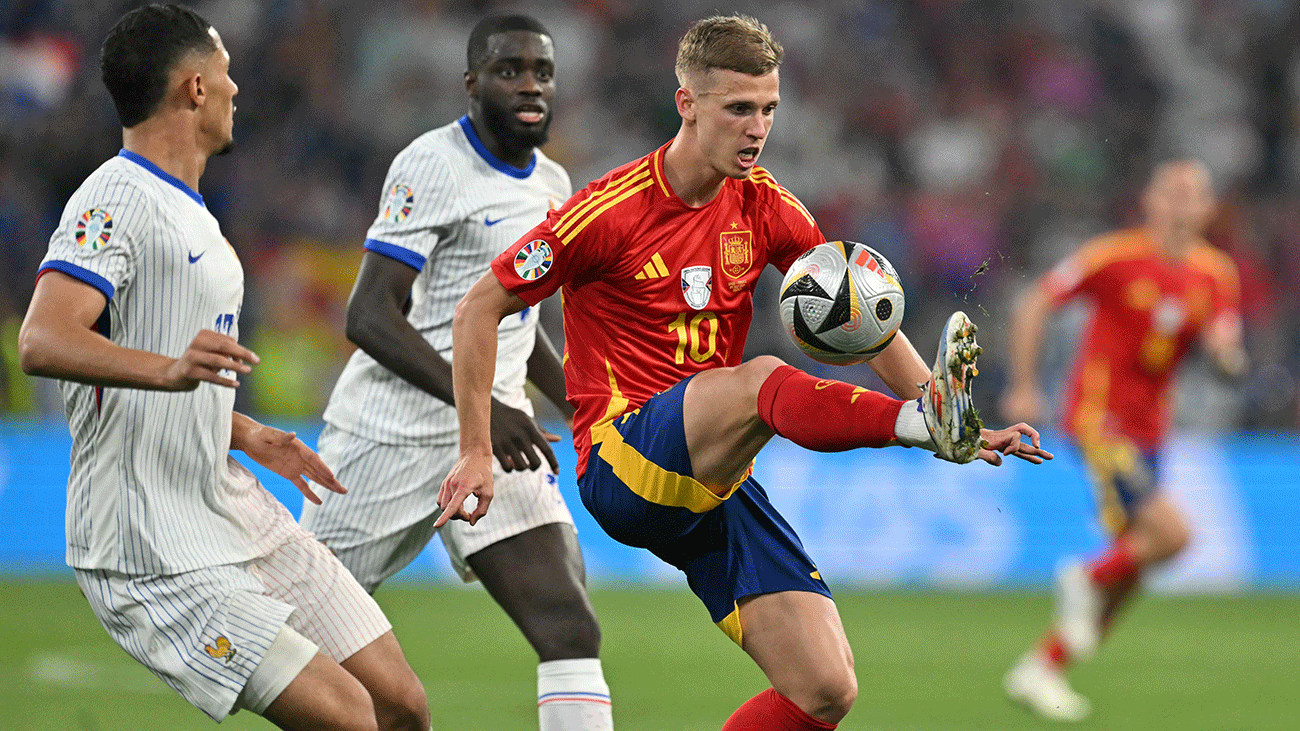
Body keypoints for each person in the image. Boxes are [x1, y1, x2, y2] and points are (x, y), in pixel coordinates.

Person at [438, 14, 1052, 730]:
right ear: (687, 104)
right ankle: (919, 426)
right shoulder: (608, 211)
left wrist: (953, 414)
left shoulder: (764, 204)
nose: (757, 128)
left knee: (824, 688)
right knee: (760, 381)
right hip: (620, 457)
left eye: (768, 109)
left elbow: (855, 316)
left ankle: (929, 419)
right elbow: (478, 310)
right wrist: (476, 450)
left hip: (712, 474)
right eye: (738, 108)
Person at [17, 6, 429, 730]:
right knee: (350, 718)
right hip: (146, 542)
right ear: (196, 87)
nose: (240, 87)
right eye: (228, 71)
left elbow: (161, 372)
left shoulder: (193, 212)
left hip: (225, 502)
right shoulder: (116, 196)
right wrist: (173, 371)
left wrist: (238, 429)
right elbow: (43, 339)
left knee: (400, 704)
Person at [297, 14, 613, 731]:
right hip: (388, 435)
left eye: (542, 71)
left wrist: (587, 406)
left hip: (501, 439)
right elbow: (369, 314)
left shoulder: (555, 184)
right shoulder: (431, 165)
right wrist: (483, 411)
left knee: (568, 625)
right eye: (510, 70)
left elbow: (517, 323)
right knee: (297, 644)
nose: (530, 85)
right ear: (472, 84)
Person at [999, 158, 1246, 721]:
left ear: (1208, 209)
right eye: (1173, 193)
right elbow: (1035, 301)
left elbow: (1225, 340)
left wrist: (1230, 361)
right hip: (1098, 416)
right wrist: (1023, 385)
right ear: (1150, 200)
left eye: (1194, 195)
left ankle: (1044, 666)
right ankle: (1081, 578)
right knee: (1173, 535)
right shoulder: (1113, 257)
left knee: (1133, 569)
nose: (1183, 205)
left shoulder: (1215, 273)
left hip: (1152, 430)